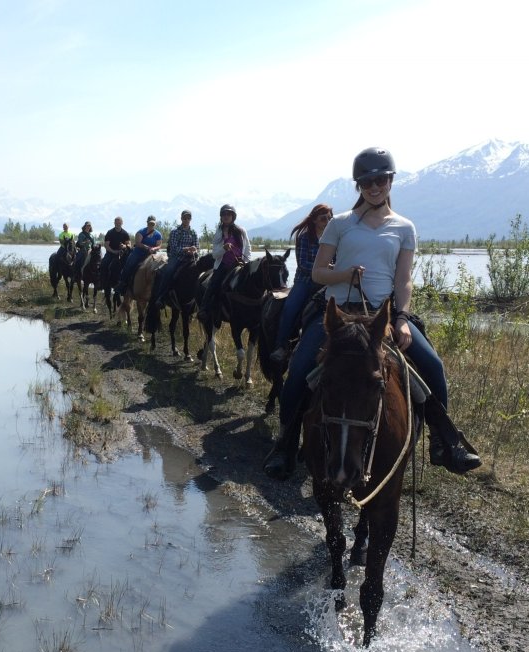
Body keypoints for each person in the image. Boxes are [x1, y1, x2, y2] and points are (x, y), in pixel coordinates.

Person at [263, 147, 481, 479]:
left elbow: (404, 279)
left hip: (382, 316)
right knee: (299, 374)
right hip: (338, 316)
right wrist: (345, 273)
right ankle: (285, 443)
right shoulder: (339, 224)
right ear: (359, 185)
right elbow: (320, 273)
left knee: (432, 367)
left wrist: (402, 319)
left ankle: (445, 441)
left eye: (380, 180)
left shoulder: (405, 227)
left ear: (390, 181)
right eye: (367, 182)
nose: (374, 186)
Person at [269, 204, 333, 364]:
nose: (328, 221)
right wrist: (324, 268)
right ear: (314, 220)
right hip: (305, 281)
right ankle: (281, 345)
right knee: (290, 307)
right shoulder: (304, 237)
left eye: (330, 217)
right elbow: (303, 264)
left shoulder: (334, 237)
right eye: (323, 218)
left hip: (328, 281)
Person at [197, 204, 251, 322]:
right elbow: (215, 254)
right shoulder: (218, 233)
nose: (226, 216)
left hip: (239, 265)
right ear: (221, 217)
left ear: (233, 216)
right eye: (224, 214)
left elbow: (248, 249)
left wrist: (246, 262)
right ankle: (203, 309)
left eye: (229, 214)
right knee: (213, 284)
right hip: (223, 265)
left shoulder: (241, 231)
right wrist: (224, 248)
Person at [151, 210, 200, 307]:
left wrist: (194, 250)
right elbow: (173, 248)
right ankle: (161, 296)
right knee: (168, 271)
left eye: (188, 218)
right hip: (177, 258)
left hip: (190, 258)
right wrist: (186, 249)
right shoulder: (175, 232)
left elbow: (197, 246)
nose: (186, 220)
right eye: (184, 218)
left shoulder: (193, 232)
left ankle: (200, 301)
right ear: (181, 219)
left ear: (190, 219)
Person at [116, 215, 163, 294]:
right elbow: (138, 243)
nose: (151, 225)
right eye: (150, 223)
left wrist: (154, 249)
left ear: (155, 224)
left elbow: (159, 245)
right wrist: (147, 247)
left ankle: (159, 290)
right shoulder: (141, 232)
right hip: (138, 253)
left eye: (153, 224)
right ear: (147, 223)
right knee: (128, 265)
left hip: (151, 255)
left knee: (161, 268)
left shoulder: (158, 234)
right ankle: (122, 284)